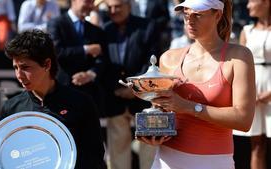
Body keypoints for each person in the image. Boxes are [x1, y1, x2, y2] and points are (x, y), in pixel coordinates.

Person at [137, 0, 256, 169]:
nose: (189, 20)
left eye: (198, 15)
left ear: (217, 15)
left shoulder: (239, 57)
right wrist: (154, 133)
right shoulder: (168, 59)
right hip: (165, 161)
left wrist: (188, 106)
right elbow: (161, 112)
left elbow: (244, 120)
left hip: (215, 162)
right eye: (186, 14)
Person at [0, 29, 106, 169]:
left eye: (25, 67)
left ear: (47, 64)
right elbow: (6, 155)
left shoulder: (81, 103)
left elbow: (95, 156)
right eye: (15, 68)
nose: (19, 75)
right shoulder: (11, 108)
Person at [102, 0, 158, 168]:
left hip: (145, 100)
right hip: (115, 100)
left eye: (117, 6)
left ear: (128, 5)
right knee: (118, 154)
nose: (113, 10)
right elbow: (102, 64)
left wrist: (135, 88)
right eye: (109, 7)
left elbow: (153, 60)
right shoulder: (105, 30)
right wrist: (117, 88)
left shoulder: (147, 26)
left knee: (149, 151)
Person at [47, 0, 107, 117]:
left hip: (87, 94)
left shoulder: (96, 30)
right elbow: (56, 52)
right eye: (87, 2)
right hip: (62, 90)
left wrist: (90, 74)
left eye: (92, 2)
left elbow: (102, 59)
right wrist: (86, 49)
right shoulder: (56, 24)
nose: (91, 6)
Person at [233, 0, 271, 169]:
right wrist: (247, 93)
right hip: (253, 92)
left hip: (269, 90)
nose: (247, 5)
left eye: (252, 1)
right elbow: (241, 66)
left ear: (267, 3)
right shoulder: (246, 31)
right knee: (256, 146)